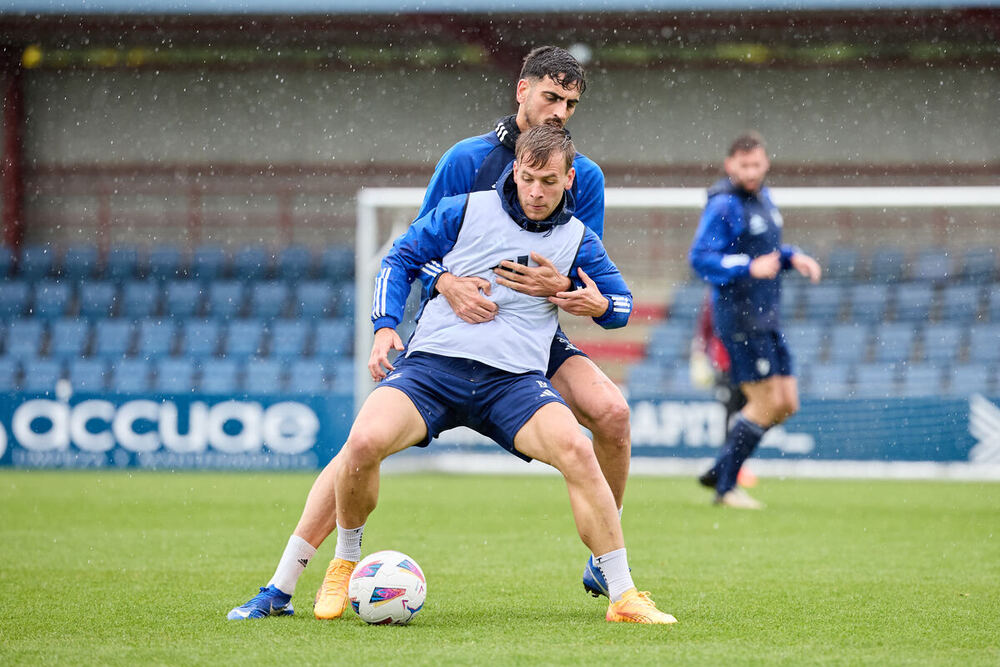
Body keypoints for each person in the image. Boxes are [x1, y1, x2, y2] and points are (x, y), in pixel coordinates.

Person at [228, 125, 675, 624]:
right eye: (527, 178)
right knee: (361, 443)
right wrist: (383, 329)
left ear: (570, 179)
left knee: (577, 448)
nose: (535, 191)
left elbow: (620, 304)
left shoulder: (577, 240)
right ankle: (344, 562)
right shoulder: (465, 208)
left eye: (549, 181)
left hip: (514, 382)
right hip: (433, 369)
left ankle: (623, 594)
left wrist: (595, 300)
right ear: (514, 170)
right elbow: (400, 257)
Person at [409, 45, 631, 601]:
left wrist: (569, 291)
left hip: (531, 334)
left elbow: (582, 267)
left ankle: (606, 558)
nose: (560, 110)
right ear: (521, 90)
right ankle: (296, 576)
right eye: (552, 96)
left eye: (571, 103)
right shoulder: (465, 159)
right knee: (359, 445)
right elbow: (417, 249)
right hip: (454, 326)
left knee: (612, 414)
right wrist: (447, 283)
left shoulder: (585, 175)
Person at [689, 131, 822, 509]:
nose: (751, 171)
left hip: (768, 316)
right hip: (740, 318)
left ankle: (721, 467)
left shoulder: (765, 199)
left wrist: (791, 256)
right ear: (731, 165)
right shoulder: (724, 206)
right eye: (743, 165)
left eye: (757, 164)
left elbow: (767, 251)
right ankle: (726, 487)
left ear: (765, 164)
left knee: (787, 403)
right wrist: (748, 266)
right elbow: (700, 258)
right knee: (764, 404)